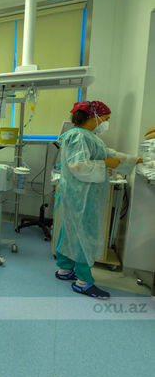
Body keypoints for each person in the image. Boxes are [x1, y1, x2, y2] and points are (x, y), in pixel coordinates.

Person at [55, 101, 142, 299]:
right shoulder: (80, 137)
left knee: (71, 231)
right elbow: (78, 166)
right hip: (82, 195)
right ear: (93, 117)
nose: (106, 122)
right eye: (106, 118)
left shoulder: (85, 136)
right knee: (84, 235)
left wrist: (134, 159)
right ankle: (83, 282)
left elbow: (108, 153)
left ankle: (65, 269)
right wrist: (105, 164)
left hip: (76, 193)